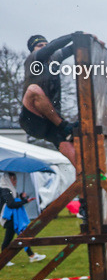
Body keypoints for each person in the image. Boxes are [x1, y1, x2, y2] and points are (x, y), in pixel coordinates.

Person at [20, 33, 79, 169]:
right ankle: (63, 126)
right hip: (32, 120)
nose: (44, 47)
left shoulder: (53, 61)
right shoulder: (33, 59)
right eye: (40, 45)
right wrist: (74, 35)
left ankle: (87, 176)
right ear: (33, 50)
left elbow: (71, 49)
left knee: (74, 152)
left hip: (50, 122)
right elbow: (53, 46)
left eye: (45, 45)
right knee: (33, 90)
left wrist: (89, 40)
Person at [0, 172, 45, 264]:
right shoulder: (5, 190)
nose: (15, 181)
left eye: (16, 179)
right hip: (9, 219)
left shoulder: (10, 189)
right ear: (8, 180)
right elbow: (11, 204)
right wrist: (25, 201)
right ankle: (3, 259)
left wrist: (22, 197)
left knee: (21, 236)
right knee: (9, 239)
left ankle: (31, 256)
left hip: (14, 218)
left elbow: (14, 200)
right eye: (13, 179)